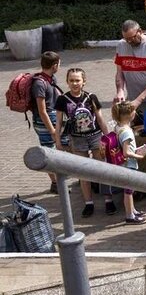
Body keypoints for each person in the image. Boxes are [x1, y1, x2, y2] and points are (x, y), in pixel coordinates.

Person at [54, 68, 114, 217]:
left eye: (77, 80)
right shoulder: (62, 99)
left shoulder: (91, 97)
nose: (75, 83)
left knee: (102, 168)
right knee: (83, 171)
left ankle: (108, 199)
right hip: (77, 139)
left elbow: (100, 119)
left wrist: (108, 138)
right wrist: (58, 141)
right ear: (67, 82)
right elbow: (59, 122)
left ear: (84, 81)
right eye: (71, 80)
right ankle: (88, 203)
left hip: (95, 136)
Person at [30, 51, 66, 192]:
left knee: (60, 147)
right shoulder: (39, 83)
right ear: (54, 65)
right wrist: (52, 130)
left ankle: (58, 180)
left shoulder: (51, 78)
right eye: (59, 64)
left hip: (53, 117)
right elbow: (42, 110)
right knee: (48, 151)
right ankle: (55, 184)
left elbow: (57, 95)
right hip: (43, 121)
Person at [112, 101, 146, 224]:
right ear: (129, 115)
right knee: (128, 191)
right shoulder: (127, 132)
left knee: (129, 190)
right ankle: (129, 215)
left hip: (123, 165)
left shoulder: (118, 127)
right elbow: (126, 152)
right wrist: (138, 156)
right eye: (133, 111)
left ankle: (133, 210)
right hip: (128, 165)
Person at [114, 20, 146, 113]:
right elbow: (119, 73)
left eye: (132, 37)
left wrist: (139, 99)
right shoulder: (121, 45)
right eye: (126, 39)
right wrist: (120, 91)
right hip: (132, 98)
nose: (129, 41)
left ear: (140, 31)